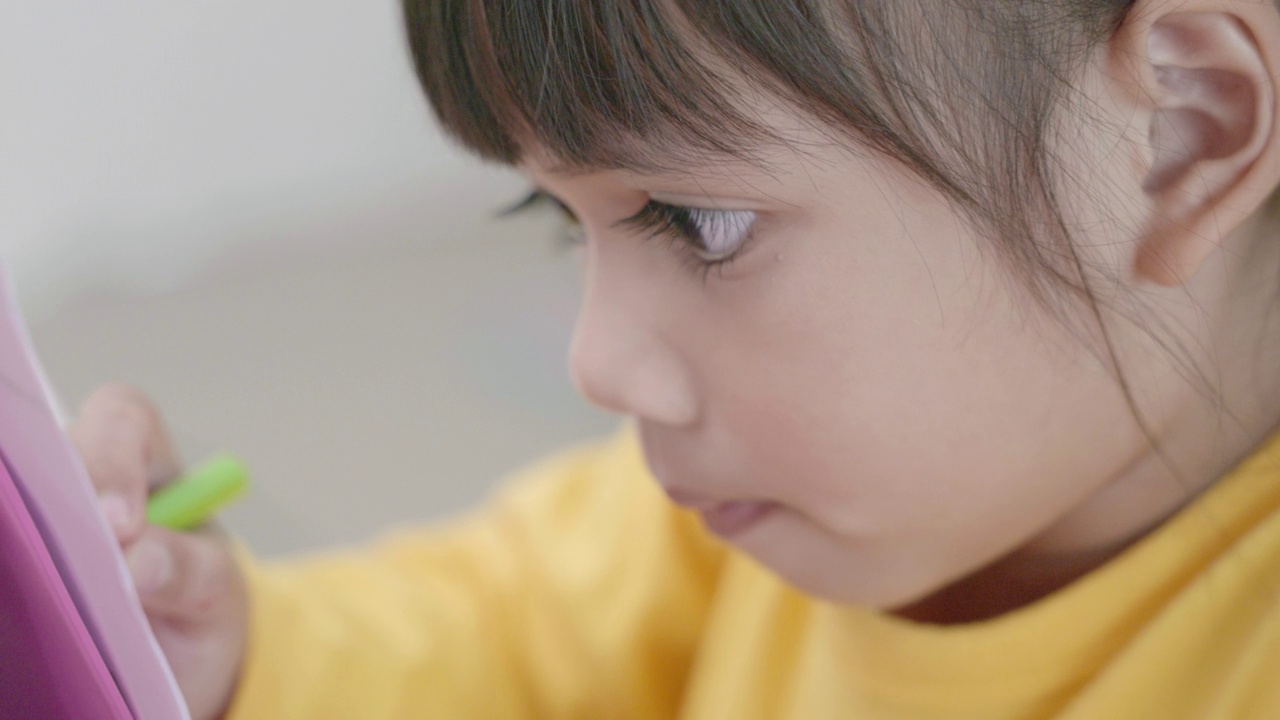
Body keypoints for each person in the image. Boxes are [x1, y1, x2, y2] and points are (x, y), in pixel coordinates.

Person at [69, 0, 1280, 717]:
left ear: (1182, 131)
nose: (596, 362)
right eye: (561, 219)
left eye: (699, 224)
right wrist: (224, 645)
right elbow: (506, 637)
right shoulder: (747, 509)